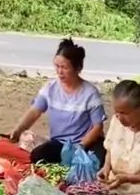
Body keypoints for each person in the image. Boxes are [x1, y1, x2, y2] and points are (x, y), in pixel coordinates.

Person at [10, 38, 107, 166]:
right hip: (61, 144)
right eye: (57, 66)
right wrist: (17, 130)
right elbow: (34, 112)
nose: (59, 72)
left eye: (64, 67)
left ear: (78, 69)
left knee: (93, 162)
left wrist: (80, 147)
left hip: (86, 143)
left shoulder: (90, 93)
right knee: (37, 157)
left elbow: (98, 127)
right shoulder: (50, 88)